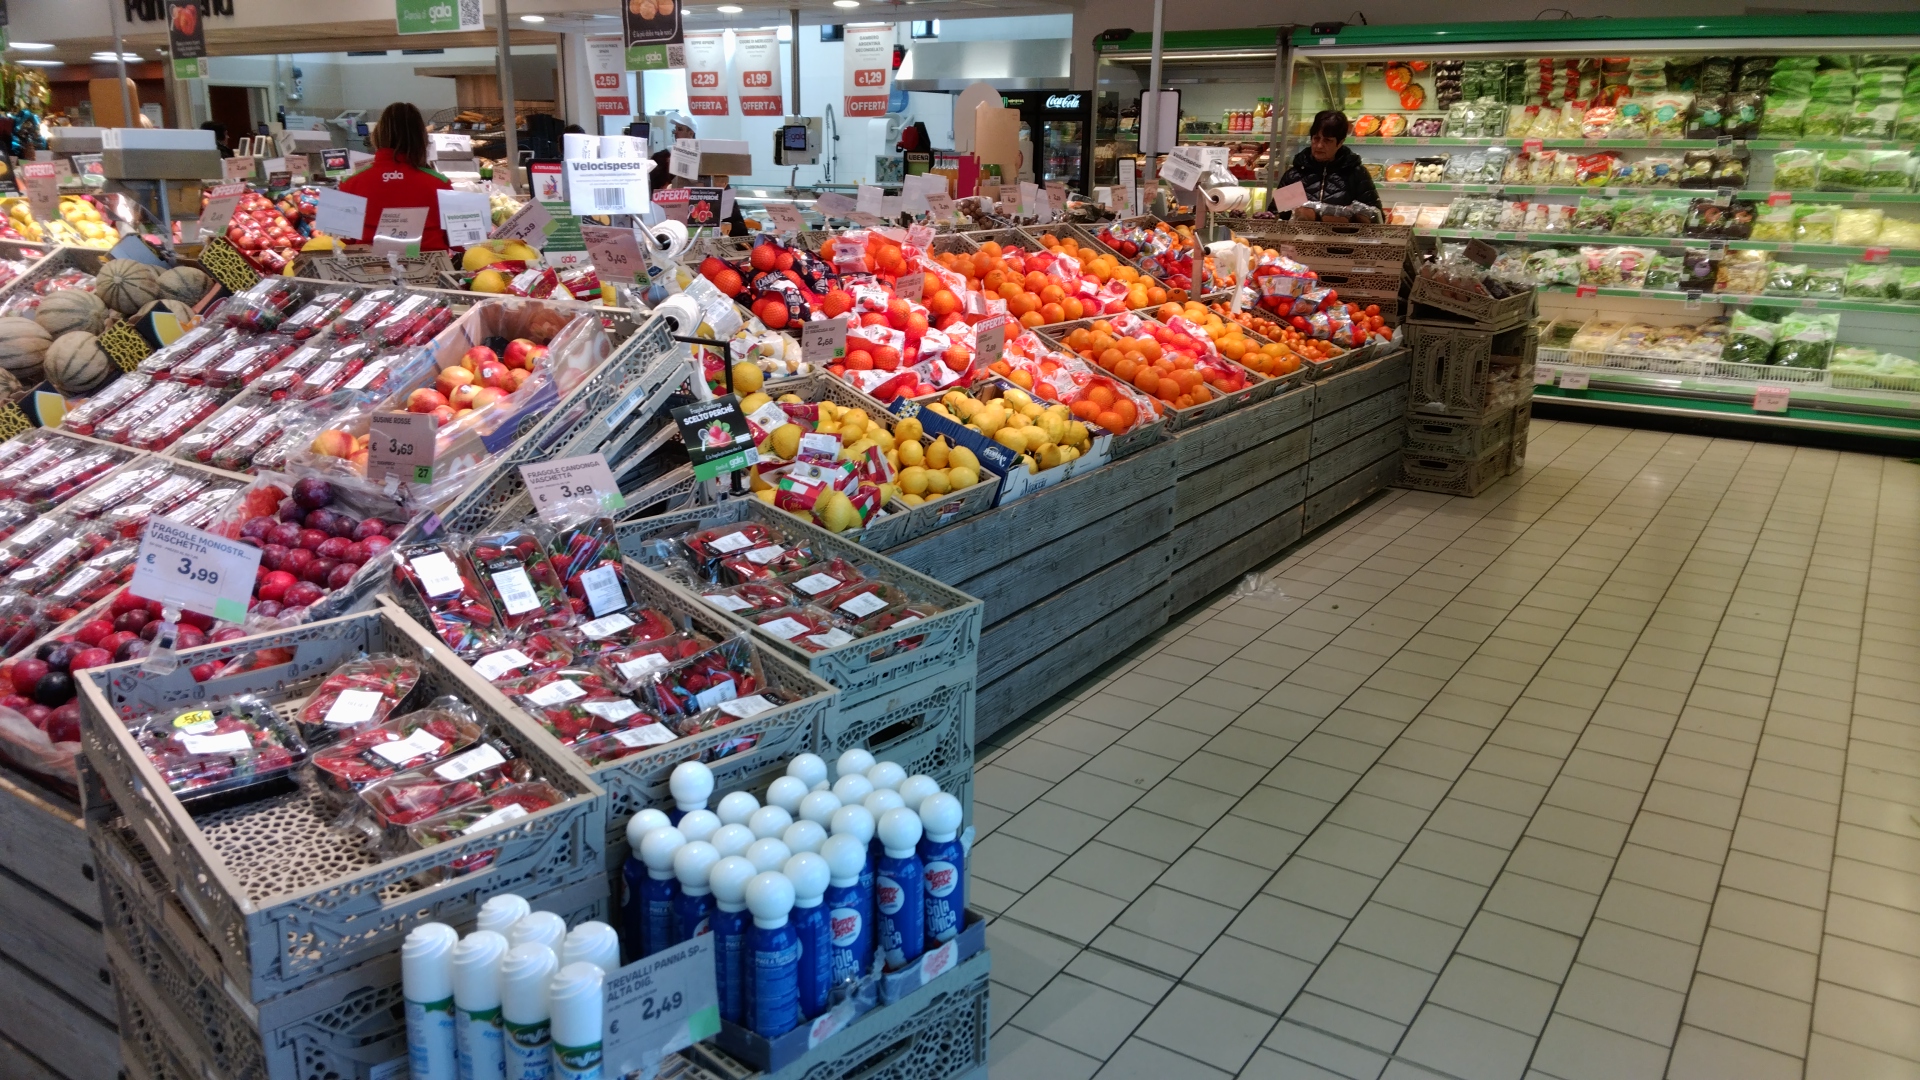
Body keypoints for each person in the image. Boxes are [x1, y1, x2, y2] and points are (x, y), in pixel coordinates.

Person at [336, 102, 453, 251]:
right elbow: (457, 241)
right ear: (422, 138)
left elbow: (342, 240)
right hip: (431, 264)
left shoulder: (350, 183)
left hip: (368, 264)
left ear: (377, 135)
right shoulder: (440, 184)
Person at [1275, 110, 1379, 213]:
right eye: (1316, 138)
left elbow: (1374, 217)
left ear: (1340, 143)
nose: (1319, 145)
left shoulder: (1356, 175)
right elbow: (1276, 215)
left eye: (1327, 140)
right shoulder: (1296, 174)